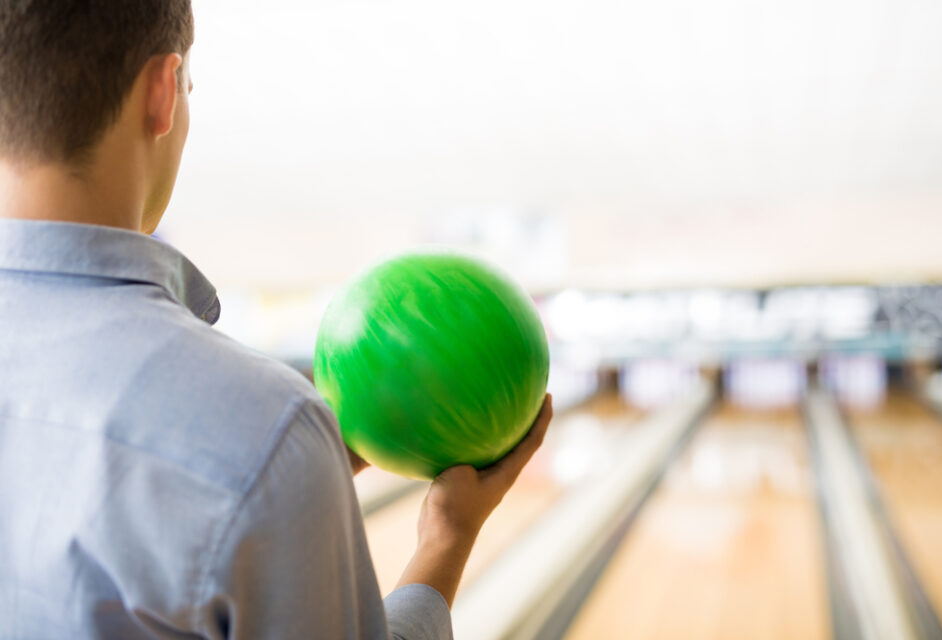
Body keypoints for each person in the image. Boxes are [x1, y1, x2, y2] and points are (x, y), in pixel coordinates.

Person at [0, 2, 553, 638]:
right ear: (161, 93)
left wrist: (291, 471)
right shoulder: (266, 426)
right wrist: (446, 542)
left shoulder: (268, 437)